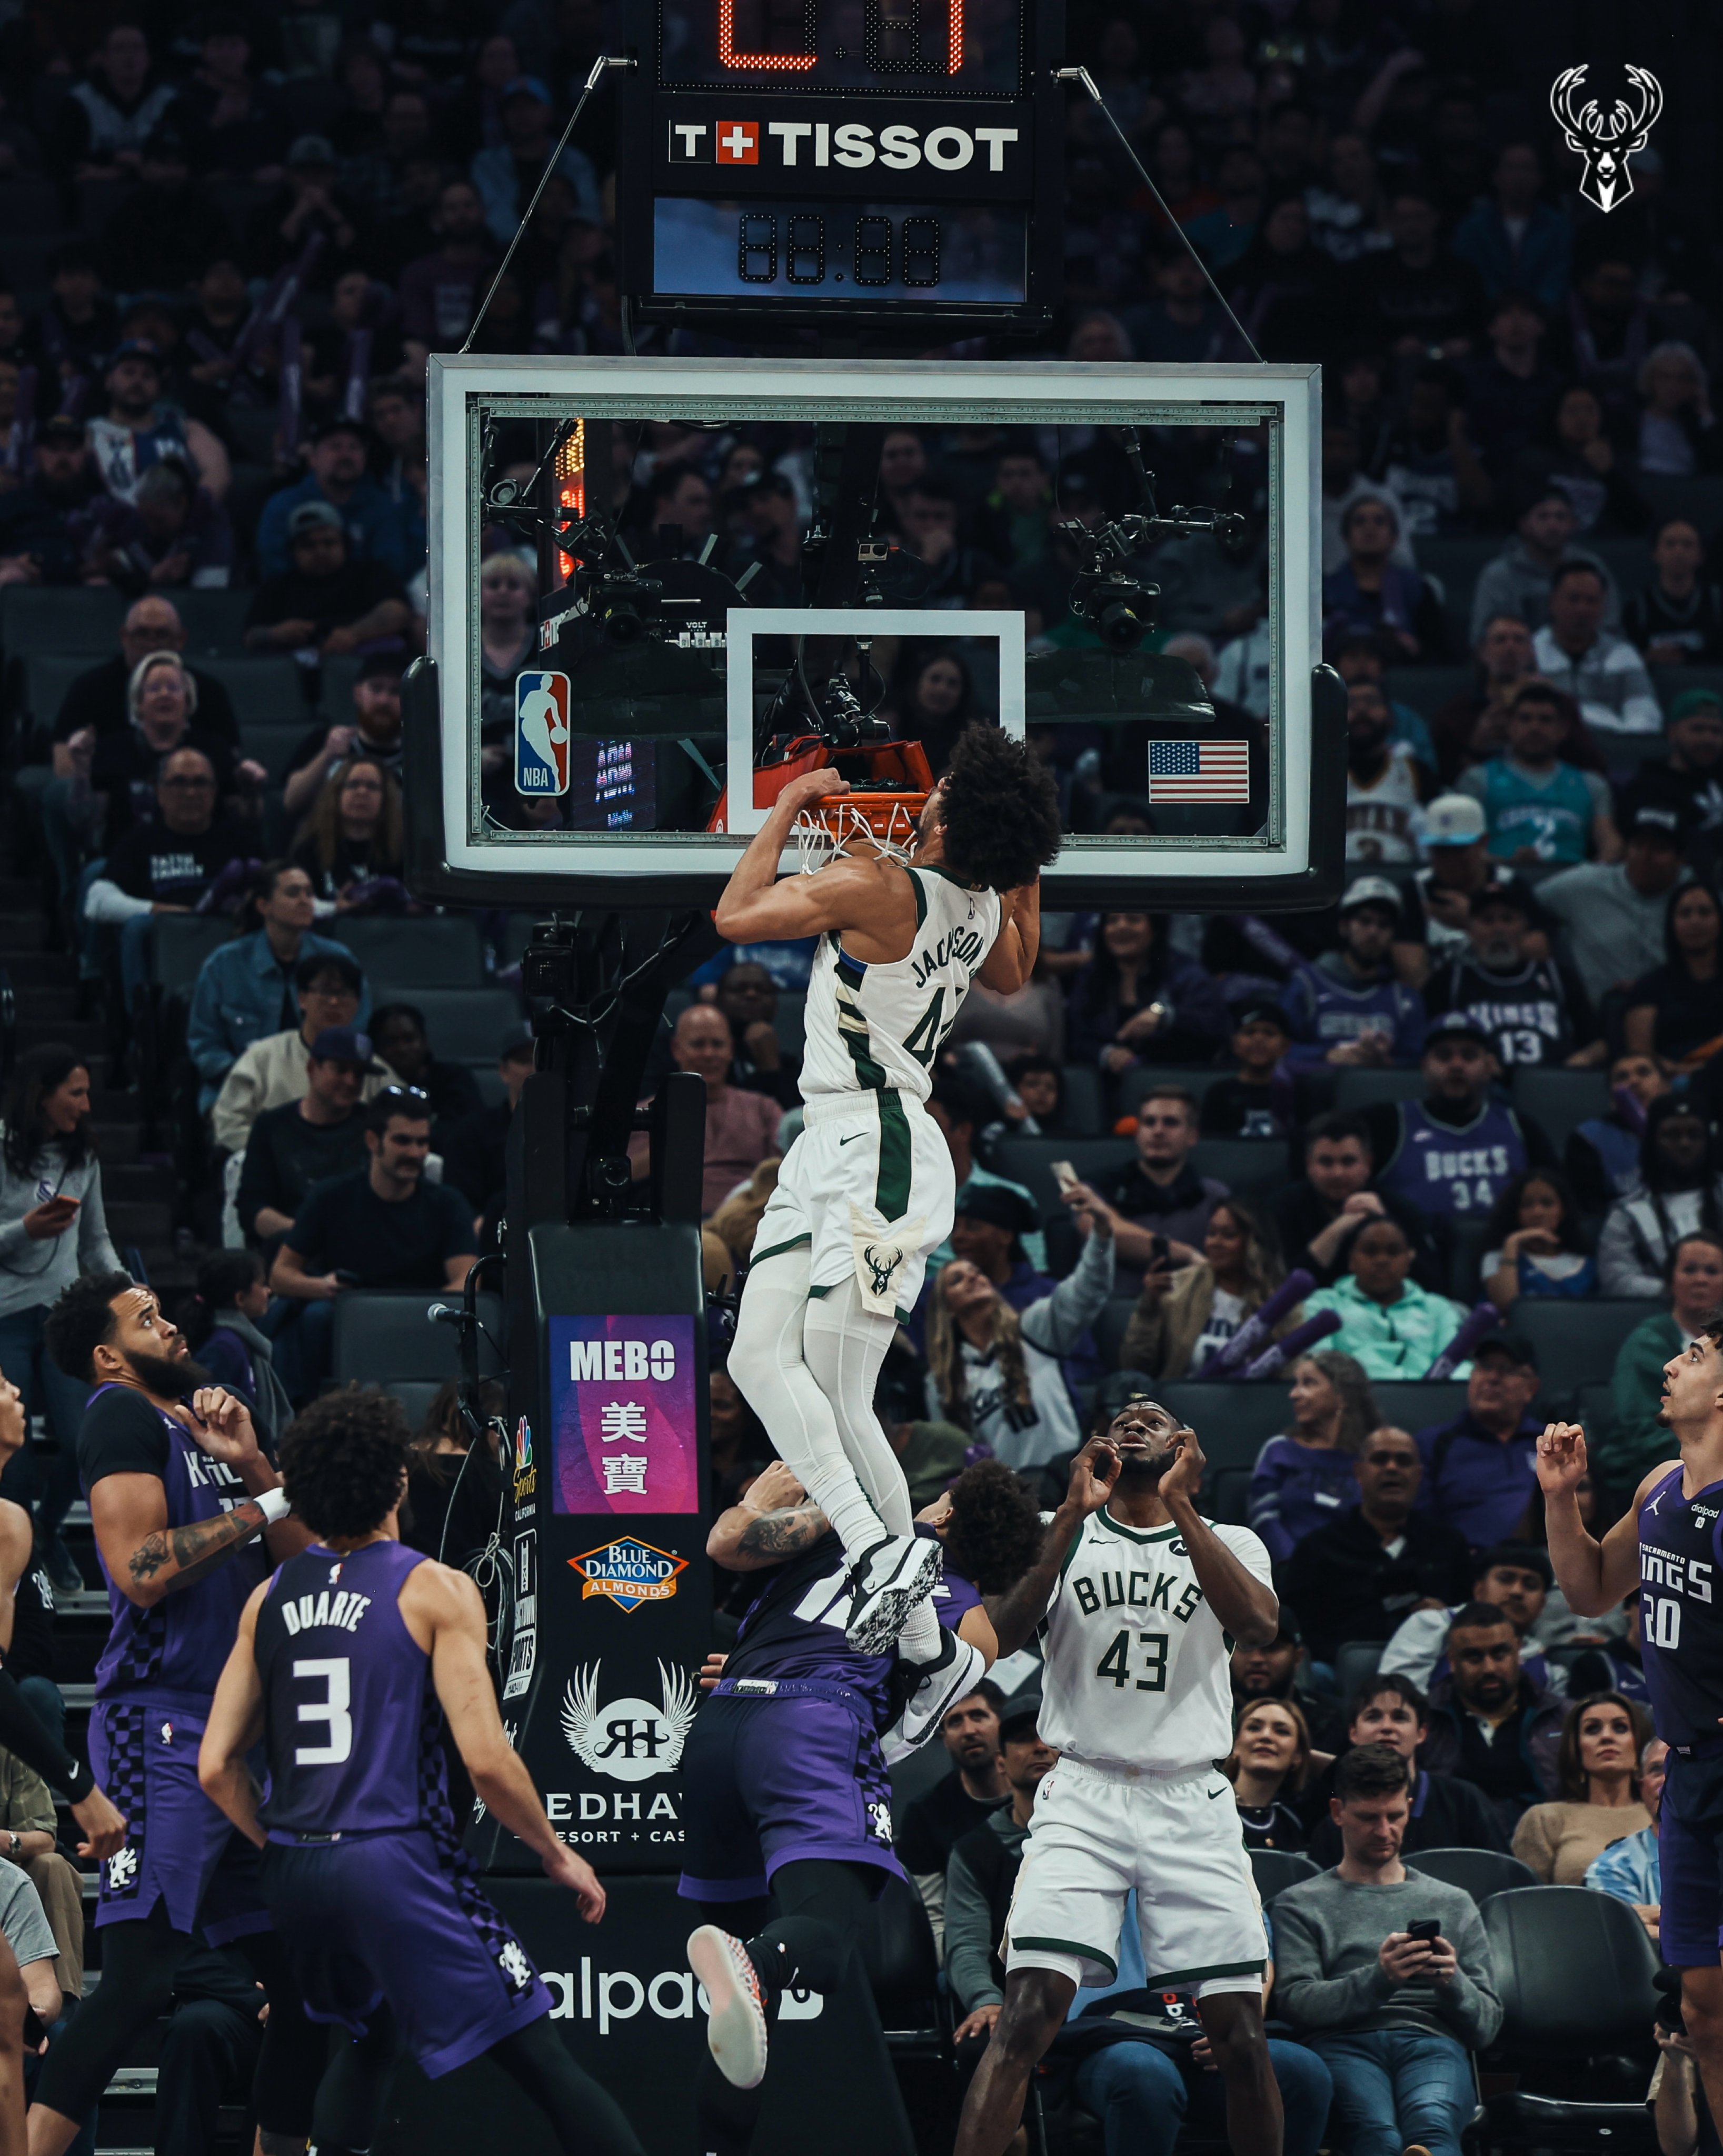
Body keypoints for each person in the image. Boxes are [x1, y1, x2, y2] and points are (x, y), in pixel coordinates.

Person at [196, 1389, 644, 2156]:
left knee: (370, 2039)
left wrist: (282, 1847)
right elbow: (486, 1759)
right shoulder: (433, 1587)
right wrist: (555, 1851)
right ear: (399, 1484)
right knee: (540, 2057)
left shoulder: (268, 1598)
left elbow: (215, 1766)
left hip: (297, 1870)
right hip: (394, 1860)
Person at [717, 726, 1058, 1670]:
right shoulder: (983, 908)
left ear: (950, 809)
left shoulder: (881, 882)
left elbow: (737, 917)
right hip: (824, 1144)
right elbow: (1016, 968)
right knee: (755, 1356)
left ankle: (883, 1562)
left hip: (882, 1140)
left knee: (835, 1379)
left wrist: (788, 805)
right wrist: (1024, 866)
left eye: (940, 785)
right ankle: (907, 1608)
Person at [29, 1274, 317, 2156]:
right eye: (145, 1318)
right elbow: (144, 1569)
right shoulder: (120, 1414)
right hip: (158, 1724)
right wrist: (255, 1504)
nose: (170, 1324)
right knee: (142, 1976)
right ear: (110, 1354)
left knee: (308, 1981)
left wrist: (255, 1465)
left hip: (239, 1733)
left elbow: (301, 1566)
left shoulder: (203, 1427)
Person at [947, 1401, 1283, 2156]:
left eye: (1153, 1418)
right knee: (1028, 2014)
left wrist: (1181, 1506)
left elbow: (1259, 1625)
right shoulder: (1056, 1527)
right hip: (1084, 1790)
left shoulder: (1230, 1539)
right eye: (1122, 1418)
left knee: (1240, 2032)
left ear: (1183, 1446)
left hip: (1189, 1794)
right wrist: (1069, 1512)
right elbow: (997, 1634)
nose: (1134, 1424)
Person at [678, 1461, 985, 2149]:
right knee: (818, 1943)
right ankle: (758, 1964)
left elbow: (728, 1543)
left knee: (748, 2019)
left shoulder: (843, 1534)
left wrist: (758, 1498)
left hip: (719, 1728)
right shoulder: (957, 1599)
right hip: (807, 1729)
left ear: (943, 1516)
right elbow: (956, 1670)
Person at [1536, 1308, 1723, 2130]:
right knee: (1704, 2014)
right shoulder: (1656, 1484)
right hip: (1686, 1773)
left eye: (1695, 1352)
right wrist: (1560, 1497)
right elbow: (1588, 1591)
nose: (1673, 1364)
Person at [1272, 1741, 1503, 2156]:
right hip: (1341, 2041)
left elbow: (1485, 2027)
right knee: (1376, 2133)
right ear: (1337, 1812)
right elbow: (1294, 2004)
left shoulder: (1452, 1902)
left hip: (1430, 2038)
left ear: (1409, 1807)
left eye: (1395, 1816)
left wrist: (1452, 1983)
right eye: (1367, 1818)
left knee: (1430, 2123)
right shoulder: (1299, 1903)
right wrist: (1380, 1979)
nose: (1384, 1831)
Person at [0, 1049, 121, 1591]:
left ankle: (47, 1532)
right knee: (16, 1453)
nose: (87, 1104)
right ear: (42, 1094)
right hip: (5, 1314)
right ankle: (21, 1555)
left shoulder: (83, 1156)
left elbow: (95, 1240)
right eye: (76, 1092)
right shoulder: (3, 1147)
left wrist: (129, 1290)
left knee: (80, 1440)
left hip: (62, 1314)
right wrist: (25, 1227)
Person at [268, 1090, 478, 1399]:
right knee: (315, 1318)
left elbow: (468, 1281)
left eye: (423, 1142)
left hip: (422, 1322)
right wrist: (323, 1287)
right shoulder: (331, 1197)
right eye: (403, 1141)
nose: (416, 1153)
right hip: (350, 1318)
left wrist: (414, 1313)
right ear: (372, 1141)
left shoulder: (447, 1204)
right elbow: (280, 1275)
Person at [923, 1207, 1114, 1469]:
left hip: (1068, 1473)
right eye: (958, 1280)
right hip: (1008, 1493)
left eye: (976, 1273)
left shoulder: (1034, 1329)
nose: (973, 1278)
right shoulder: (939, 1383)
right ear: (947, 1309)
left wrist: (1102, 1232)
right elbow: (954, 1452)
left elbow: (1088, 1290)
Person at [82, 744, 254, 1011]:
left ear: (214, 792)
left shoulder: (238, 840)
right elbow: (97, 901)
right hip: (164, 946)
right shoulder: (139, 841)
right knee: (137, 928)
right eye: (178, 782)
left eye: (200, 783)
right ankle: (142, 1032)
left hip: (227, 939)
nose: (190, 792)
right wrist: (167, 914)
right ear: (159, 792)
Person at [1280, 1428, 1473, 1664]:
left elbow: (1472, 1617)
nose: (1392, 1468)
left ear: (1419, 1474)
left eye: (1404, 1461)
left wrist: (1446, 1617)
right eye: (1380, 1459)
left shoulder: (1449, 1544)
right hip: (1337, 1677)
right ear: (1359, 1472)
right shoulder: (1318, 1548)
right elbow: (1298, 1630)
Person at [186, 863, 359, 1113]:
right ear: (263, 906)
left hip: (323, 1091)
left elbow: (356, 1031)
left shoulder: (339, 962)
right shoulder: (224, 964)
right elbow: (204, 1045)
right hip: (242, 1091)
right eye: (293, 893)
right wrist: (252, 1076)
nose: (305, 901)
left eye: (309, 894)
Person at [945, 1695, 1059, 2047]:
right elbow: (966, 1945)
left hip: (1106, 2005)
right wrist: (986, 2000)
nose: (1039, 1747)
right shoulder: (973, 1851)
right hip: (1014, 2005)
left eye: (1047, 1736)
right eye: (1024, 1738)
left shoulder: (1111, 1838)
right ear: (1000, 1763)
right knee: (980, 2041)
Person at [1301, 1676, 1509, 1863]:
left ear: (1422, 1733)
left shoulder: (1464, 1801)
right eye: (1373, 1717)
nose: (1387, 1727)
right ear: (1353, 1733)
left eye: (1400, 1717)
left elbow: (1504, 1878)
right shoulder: (1335, 1817)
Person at [211, 964, 395, 1161]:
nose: (334, 1002)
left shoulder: (371, 1066)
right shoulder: (262, 1057)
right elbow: (228, 1125)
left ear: (357, 1004)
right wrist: (281, 1151)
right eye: (325, 992)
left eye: (344, 994)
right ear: (302, 998)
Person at [1372, 1012, 1537, 1225]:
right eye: (1444, 1056)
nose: (1456, 1065)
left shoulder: (1520, 1126)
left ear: (1488, 1067)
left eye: (1469, 1056)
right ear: (1425, 1066)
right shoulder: (1388, 1123)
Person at [1064, 1087, 1230, 1296]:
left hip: (1191, 1308)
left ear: (1192, 1136)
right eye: (1149, 1122)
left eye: (1170, 1122)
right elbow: (1104, 1233)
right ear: (1138, 1133)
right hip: (1112, 1308)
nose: (1158, 1130)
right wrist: (1186, 1254)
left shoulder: (1214, 1195)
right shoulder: (1095, 1189)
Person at [1416, 1601, 1565, 1828]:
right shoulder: (1423, 1722)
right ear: (1453, 1661)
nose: (1489, 1669)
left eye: (1500, 1654)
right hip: (1451, 1845)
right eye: (1474, 1658)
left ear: (1518, 1651)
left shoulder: (1563, 1717)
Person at [626, 1007, 783, 1219]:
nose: (709, 1054)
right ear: (676, 1049)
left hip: (750, 1221)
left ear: (731, 1050)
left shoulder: (764, 1108)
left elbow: (785, 1175)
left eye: (718, 1045)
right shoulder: (645, 1115)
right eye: (698, 1045)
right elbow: (626, 1178)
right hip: (675, 1225)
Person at [1122, 1196, 1299, 1382]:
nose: (1215, 1242)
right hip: (1182, 1404)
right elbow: (1134, 1366)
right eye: (1211, 1233)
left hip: (1252, 1407)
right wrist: (1148, 1309)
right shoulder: (1176, 1287)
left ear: (1254, 1243)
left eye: (1228, 1235)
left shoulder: (1280, 1298)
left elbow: (1289, 1374)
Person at [1452, 680, 1621, 869]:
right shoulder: (1477, 780)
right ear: (1511, 727)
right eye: (1525, 719)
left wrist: (1592, 874)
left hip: (1571, 884)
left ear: (1562, 730)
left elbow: (1610, 843)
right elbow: (1462, 848)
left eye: (1545, 720)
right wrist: (1506, 863)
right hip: (1501, 880)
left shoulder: (1592, 784)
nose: (1535, 728)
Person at [1602, 1231, 1723, 1492]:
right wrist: (1704, 1455)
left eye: (1712, 1271)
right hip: (1645, 1469)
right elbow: (1637, 1429)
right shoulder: (1647, 1341)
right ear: (1670, 1281)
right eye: (1690, 1269)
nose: (1701, 1279)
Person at [1539, 807, 1689, 1009]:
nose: (1645, 857)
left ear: (1681, 860)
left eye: (1659, 849)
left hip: (1675, 1017)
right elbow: (1521, 899)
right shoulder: (1584, 884)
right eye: (1638, 846)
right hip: (1597, 1020)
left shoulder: (1697, 898)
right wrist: (1532, 933)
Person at [896, 1681, 1007, 1951]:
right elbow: (933, 1917)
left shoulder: (1041, 1795)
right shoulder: (925, 1815)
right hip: (971, 1951)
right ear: (944, 1738)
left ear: (1003, 1726)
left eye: (979, 1716)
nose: (969, 1731)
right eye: (955, 1722)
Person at [234, 1035, 370, 1253]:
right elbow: (252, 1209)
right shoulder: (272, 1126)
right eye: (341, 1070)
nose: (351, 1081)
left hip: (362, 1250)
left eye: (359, 1074)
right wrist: (308, 1234)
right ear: (312, 1068)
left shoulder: (375, 1126)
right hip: (290, 1250)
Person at [1271, 1113, 1435, 1292]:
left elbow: (1429, 1284)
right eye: (1327, 1162)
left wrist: (1385, 1223)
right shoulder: (1285, 1207)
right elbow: (1283, 1287)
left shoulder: (1399, 1209)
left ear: (1368, 1164)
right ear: (1309, 1165)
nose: (1338, 1173)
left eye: (1348, 1162)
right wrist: (1339, 1228)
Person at [1413, 1332, 1545, 1545]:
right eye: (1484, 1367)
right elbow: (1419, 1521)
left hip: (1543, 1564)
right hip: (1463, 1567)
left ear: (1531, 1388)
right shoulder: (1434, 1445)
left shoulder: (1551, 1443)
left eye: (1507, 1370)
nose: (1492, 1379)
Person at [1063, 911, 1231, 1078]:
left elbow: (1215, 1025)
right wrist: (1106, 1054)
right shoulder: (1089, 975)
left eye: (1134, 919)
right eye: (1112, 920)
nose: (1121, 927)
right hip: (1104, 1083)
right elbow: (1076, 1036)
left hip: (1172, 1079)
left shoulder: (1185, 972)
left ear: (1155, 929)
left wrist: (1165, 1015)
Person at [1249, 1351, 1380, 1563]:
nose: (1294, 1394)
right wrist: (1297, 1566)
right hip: (1291, 1574)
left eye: (1308, 1383)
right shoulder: (1279, 1450)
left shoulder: (1372, 1456)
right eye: (1296, 1384)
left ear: (1342, 1395)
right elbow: (1264, 1518)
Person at [1305, 1217, 1473, 1381]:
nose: (1382, 1260)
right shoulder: (1322, 1304)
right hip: (1352, 1401)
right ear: (1351, 1260)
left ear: (1409, 1259)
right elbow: (1319, 1367)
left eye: (1393, 1252)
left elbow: (1455, 1365)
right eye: (1370, 1251)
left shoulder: (1438, 1309)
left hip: (1426, 1402)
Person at [1511, 1690, 1654, 1883]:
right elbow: (1527, 1903)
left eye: (1620, 1728)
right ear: (1576, 1749)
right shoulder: (1545, 1819)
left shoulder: (1663, 1818)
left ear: (1640, 1744)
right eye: (1592, 1729)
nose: (1606, 1737)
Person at [243, 501, 411, 662]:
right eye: (309, 545)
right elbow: (251, 637)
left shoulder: (370, 573)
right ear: (293, 551)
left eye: (329, 543)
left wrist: (353, 634)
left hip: (363, 667)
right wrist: (276, 634)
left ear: (345, 544)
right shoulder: (277, 586)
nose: (320, 551)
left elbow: (398, 612)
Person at [1284, 880, 1427, 1069]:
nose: (1373, 932)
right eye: (1365, 921)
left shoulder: (1405, 1000)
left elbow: (1419, 1061)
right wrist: (1327, 1055)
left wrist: (1387, 1064)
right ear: (1344, 927)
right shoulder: (1307, 985)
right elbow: (1278, 1047)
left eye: (1383, 925)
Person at [1380, 1543, 1558, 1693]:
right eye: (1506, 1579)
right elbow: (1397, 1699)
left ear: (1542, 1605)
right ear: (1479, 1590)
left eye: (1530, 1585)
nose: (1517, 1592)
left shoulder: (1547, 1670)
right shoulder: (1432, 1624)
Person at [254, 415, 407, 583]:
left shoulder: (382, 506)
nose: (346, 455)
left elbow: (390, 566)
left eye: (354, 447)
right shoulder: (283, 506)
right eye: (335, 447)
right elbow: (275, 569)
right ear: (313, 458)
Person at [1467, 484, 1620, 646]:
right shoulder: (1498, 575)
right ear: (1524, 524)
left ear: (1574, 524)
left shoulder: (1592, 568)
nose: (1552, 525)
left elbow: (1610, 627)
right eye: (1543, 517)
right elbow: (1482, 639)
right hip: (1520, 665)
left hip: (1588, 662)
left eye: (1560, 517)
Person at [1598, 1100, 1723, 1298]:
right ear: (1652, 1143)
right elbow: (1616, 1280)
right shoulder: (1627, 1213)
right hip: (1658, 1318)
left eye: (1694, 1135)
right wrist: (1675, 1291)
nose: (1684, 1143)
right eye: (1672, 1135)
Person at [1531, 561, 1663, 736]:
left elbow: (1645, 715)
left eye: (1591, 601)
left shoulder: (1622, 654)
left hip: (1610, 748)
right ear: (1553, 602)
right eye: (1574, 599)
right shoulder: (1531, 651)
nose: (1582, 609)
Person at [184, 1250, 291, 1449]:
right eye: (262, 1284)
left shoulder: (239, 1341)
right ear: (240, 1298)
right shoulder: (224, 1346)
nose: (268, 1291)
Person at [281, 653, 404, 822]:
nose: (384, 701)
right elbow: (291, 802)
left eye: (396, 692)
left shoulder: (421, 753)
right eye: (376, 689)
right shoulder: (323, 740)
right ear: (358, 693)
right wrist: (327, 756)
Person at [288, 755, 405, 907]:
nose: (362, 792)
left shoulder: (404, 850)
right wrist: (334, 909)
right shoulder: (309, 848)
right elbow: (295, 904)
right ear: (336, 794)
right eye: (353, 784)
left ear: (386, 798)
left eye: (372, 786)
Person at [1626, 884, 1723, 1068]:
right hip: (1668, 1084)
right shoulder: (1649, 987)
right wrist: (1680, 1072)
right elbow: (1640, 1056)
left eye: (1705, 912)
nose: (1695, 921)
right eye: (1685, 914)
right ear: (1672, 924)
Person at [1568, 1050, 1672, 1213]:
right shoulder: (1589, 1138)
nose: (1634, 1081)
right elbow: (1589, 1206)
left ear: (1666, 1086)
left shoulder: (1689, 1128)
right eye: (1622, 1077)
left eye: (1644, 1072)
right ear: (1611, 1098)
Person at [1585, 1735, 1668, 1937]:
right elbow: (1624, 1939)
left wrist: (1659, 1918)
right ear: (1642, 1787)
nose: (1667, 1779)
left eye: (1681, 1767)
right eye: (1657, 1770)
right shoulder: (1612, 1867)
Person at [1481, 1171, 1597, 1310]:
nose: (1537, 1212)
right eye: (1527, 1205)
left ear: (1563, 1210)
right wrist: (1512, 1242)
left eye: (1547, 1204)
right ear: (1515, 1212)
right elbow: (1507, 1307)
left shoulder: (1586, 1264)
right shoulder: (1498, 1257)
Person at [366, 1005, 482, 1141]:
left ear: (424, 1041)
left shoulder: (454, 1078)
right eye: (391, 1042)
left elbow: (469, 1130)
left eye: (409, 1039)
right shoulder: (367, 1083)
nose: (402, 1049)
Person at [1343, 680, 1428, 865]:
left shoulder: (1417, 771)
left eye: (1371, 702)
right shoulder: (1317, 775)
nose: (1362, 710)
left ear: (1391, 718)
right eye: (1351, 704)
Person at [1624, 521, 1723, 667]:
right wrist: (1646, 658)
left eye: (1687, 545)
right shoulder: (1638, 608)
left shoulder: (1717, 602)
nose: (1679, 552)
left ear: (1701, 555)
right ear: (1655, 553)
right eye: (1670, 544)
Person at [1227, 1696, 1317, 1850]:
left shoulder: (1296, 1821)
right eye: (1254, 1728)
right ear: (1235, 1744)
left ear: (1298, 1755)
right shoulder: (1209, 1807)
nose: (1266, 1736)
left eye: (1281, 1731)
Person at [1200, 1002, 1294, 1138]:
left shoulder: (1298, 1093)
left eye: (1269, 1033)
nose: (1259, 1039)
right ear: (1235, 1043)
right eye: (1250, 1032)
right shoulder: (1219, 1095)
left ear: (1285, 1046)